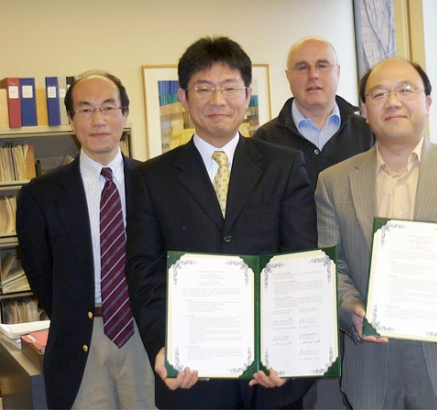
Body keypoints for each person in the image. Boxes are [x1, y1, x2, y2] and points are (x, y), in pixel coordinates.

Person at [125, 36, 318, 409]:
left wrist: (287, 350)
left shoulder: (284, 165)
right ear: (183, 98)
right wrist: (164, 346)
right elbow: (144, 270)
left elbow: (298, 260)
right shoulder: (153, 177)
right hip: (193, 375)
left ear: (247, 95)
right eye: (204, 88)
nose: (217, 100)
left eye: (229, 87)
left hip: (272, 374)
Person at [315, 58, 437, 409]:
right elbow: (331, 266)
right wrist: (350, 309)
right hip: (374, 365)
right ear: (364, 110)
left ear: (428, 102)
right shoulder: (333, 181)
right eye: (379, 94)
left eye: (406, 90)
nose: (393, 101)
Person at [16, 71, 155, 409]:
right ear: (71, 120)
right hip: (80, 337)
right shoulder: (41, 194)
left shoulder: (155, 183)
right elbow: (40, 274)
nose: (98, 120)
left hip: (145, 333)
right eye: (86, 109)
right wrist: (76, 310)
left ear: (124, 114)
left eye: (108, 108)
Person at [253, 36, 374, 190]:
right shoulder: (264, 140)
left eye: (322, 65)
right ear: (288, 76)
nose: (313, 75)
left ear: (338, 72)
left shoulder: (368, 133)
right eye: (302, 67)